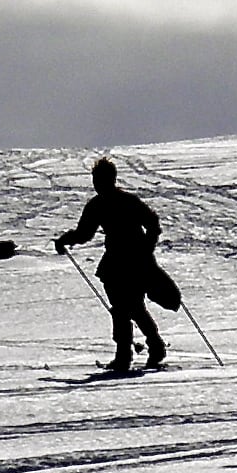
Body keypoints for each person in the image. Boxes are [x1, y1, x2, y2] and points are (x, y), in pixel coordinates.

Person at [54, 157, 167, 371]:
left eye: (98, 180)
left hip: (126, 262)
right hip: (124, 261)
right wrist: (65, 240)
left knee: (125, 308)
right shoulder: (120, 201)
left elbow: (84, 234)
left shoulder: (103, 204)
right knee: (131, 307)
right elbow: (85, 233)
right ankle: (151, 346)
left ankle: (130, 354)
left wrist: (146, 248)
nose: (96, 184)